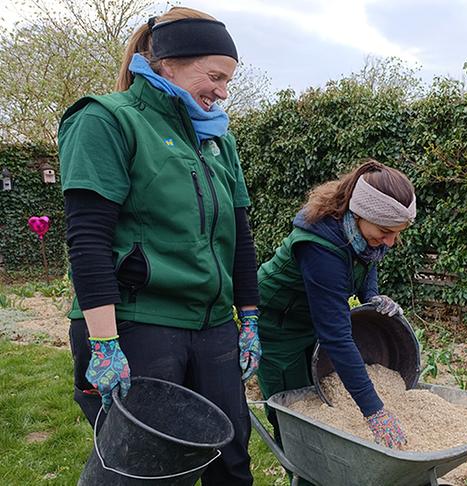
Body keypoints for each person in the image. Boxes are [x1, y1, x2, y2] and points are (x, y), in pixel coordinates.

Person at [59, 7, 258, 484]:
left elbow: (240, 238)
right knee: (146, 467)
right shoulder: (107, 120)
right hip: (138, 323)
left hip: (211, 326)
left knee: (231, 460)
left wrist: (249, 320)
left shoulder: (217, 142)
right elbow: (88, 239)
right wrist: (104, 343)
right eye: (214, 76)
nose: (223, 92)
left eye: (228, 80)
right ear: (168, 61)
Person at [257, 159, 415, 456]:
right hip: (279, 326)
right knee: (298, 416)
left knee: (325, 403)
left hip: (313, 317)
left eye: (397, 233)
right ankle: (305, 469)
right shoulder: (320, 249)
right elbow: (337, 337)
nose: (391, 242)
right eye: (385, 230)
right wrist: (374, 411)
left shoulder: (361, 232)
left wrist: (373, 296)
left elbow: (370, 259)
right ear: (359, 214)